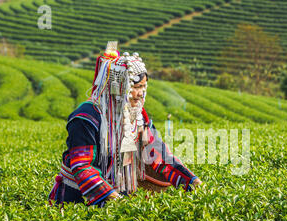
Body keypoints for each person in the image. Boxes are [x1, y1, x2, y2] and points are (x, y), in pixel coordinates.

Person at [49, 41, 202, 207]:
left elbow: (157, 153)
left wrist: (191, 181)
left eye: (144, 87)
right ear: (118, 88)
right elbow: (82, 165)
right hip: (78, 199)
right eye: (135, 87)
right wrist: (112, 198)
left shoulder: (138, 117)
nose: (141, 94)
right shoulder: (87, 117)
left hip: (117, 194)